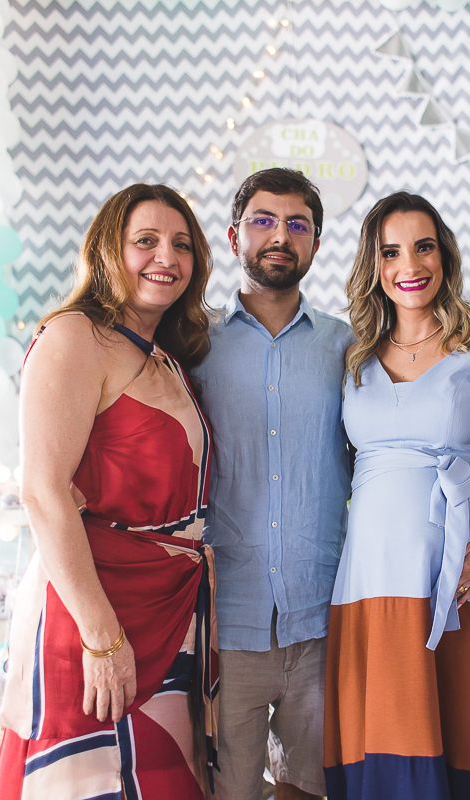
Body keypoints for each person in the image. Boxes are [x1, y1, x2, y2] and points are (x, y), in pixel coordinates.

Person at [0, 183, 218, 799]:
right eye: (146, 240)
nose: (166, 257)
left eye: (181, 245)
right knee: (91, 779)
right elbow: (43, 491)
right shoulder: (75, 336)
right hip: (95, 608)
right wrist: (101, 636)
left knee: (163, 775)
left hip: (166, 604)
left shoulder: (165, 353)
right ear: (107, 250)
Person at [325, 192, 470, 799]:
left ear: (445, 255)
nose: (410, 265)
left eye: (423, 247)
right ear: (374, 265)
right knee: (390, 742)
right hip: (374, 574)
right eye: (391, 252)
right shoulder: (353, 357)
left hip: (467, 573)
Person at [191, 168, 353, 800]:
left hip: (321, 617)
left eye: (297, 225)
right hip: (225, 621)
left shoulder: (347, 345)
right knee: (229, 791)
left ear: (315, 243)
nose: (280, 236)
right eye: (263, 221)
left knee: (309, 790)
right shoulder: (192, 342)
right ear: (235, 237)